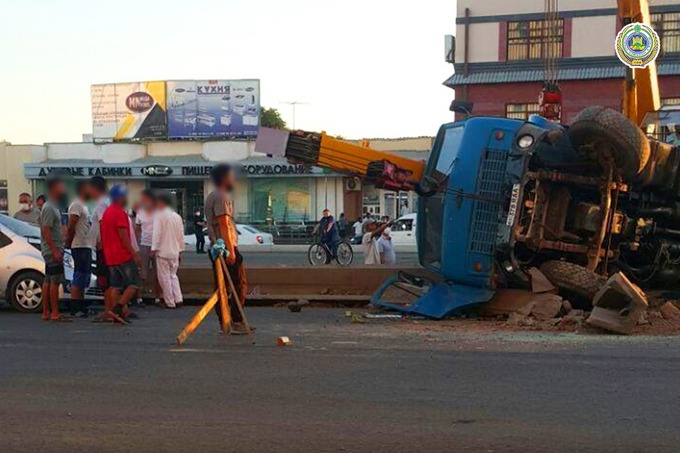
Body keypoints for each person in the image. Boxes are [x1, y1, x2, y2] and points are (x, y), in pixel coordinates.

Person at [205, 164, 249, 334]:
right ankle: (236, 321)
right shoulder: (221, 196)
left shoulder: (212, 196)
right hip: (225, 247)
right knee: (238, 284)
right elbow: (223, 223)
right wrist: (230, 250)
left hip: (218, 247)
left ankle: (226, 321)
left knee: (222, 286)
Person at [100, 185, 141, 322]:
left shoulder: (106, 213)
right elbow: (123, 237)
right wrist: (133, 253)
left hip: (110, 255)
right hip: (122, 255)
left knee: (115, 286)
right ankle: (117, 309)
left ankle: (116, 314)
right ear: (120, 197)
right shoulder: (119, 213)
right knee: (133, 283)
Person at [40, 177, 68, 321]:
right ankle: (54, 312)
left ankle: (46, 312)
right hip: (52, 250)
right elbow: (46, 230)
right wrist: (55, 249)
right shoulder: (49, 207)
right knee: (54, 281)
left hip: (54, 248)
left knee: (48, 280)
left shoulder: (54, 206)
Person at [152, 191, 185, 309]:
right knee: (173, 275)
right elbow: (180, 235)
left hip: (162, 251)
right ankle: (178, 298)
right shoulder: (177, 217)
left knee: (164, 278)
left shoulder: (159, 215)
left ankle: (170, 301)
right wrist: (180, 250)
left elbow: (157, 234)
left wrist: (153, 248)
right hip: (175, 251)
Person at [65, 180, 92, 317]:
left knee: (84, 277)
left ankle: (81, 305)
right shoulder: (76, 204)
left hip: (86, 244)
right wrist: (68, 241)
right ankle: (75, 307)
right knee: (79, 275)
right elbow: (71, 225)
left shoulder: (84, 205)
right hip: (79, 245)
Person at [135, 189, 161, 306]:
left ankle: (158, 297)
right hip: (144, 245)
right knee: (142, 273)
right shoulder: (140, 213)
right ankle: (139, 298)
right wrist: (136, 244)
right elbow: (137, 229)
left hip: (158, 246)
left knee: (159, 273)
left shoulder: (159, 213)